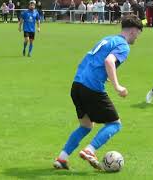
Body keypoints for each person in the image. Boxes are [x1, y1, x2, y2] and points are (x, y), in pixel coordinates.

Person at [53, 14, 143, 170]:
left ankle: (62, 158)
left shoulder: (107, 39)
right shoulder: (123, 45)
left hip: (77, 85)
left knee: (86, 126)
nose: (138, 38)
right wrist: (117, 86)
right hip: (91, 87)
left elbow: (91, 60)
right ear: (134, 31)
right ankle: (90, 150)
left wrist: (104, 75)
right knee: (115, 124)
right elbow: (109, 61)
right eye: (139, 33)